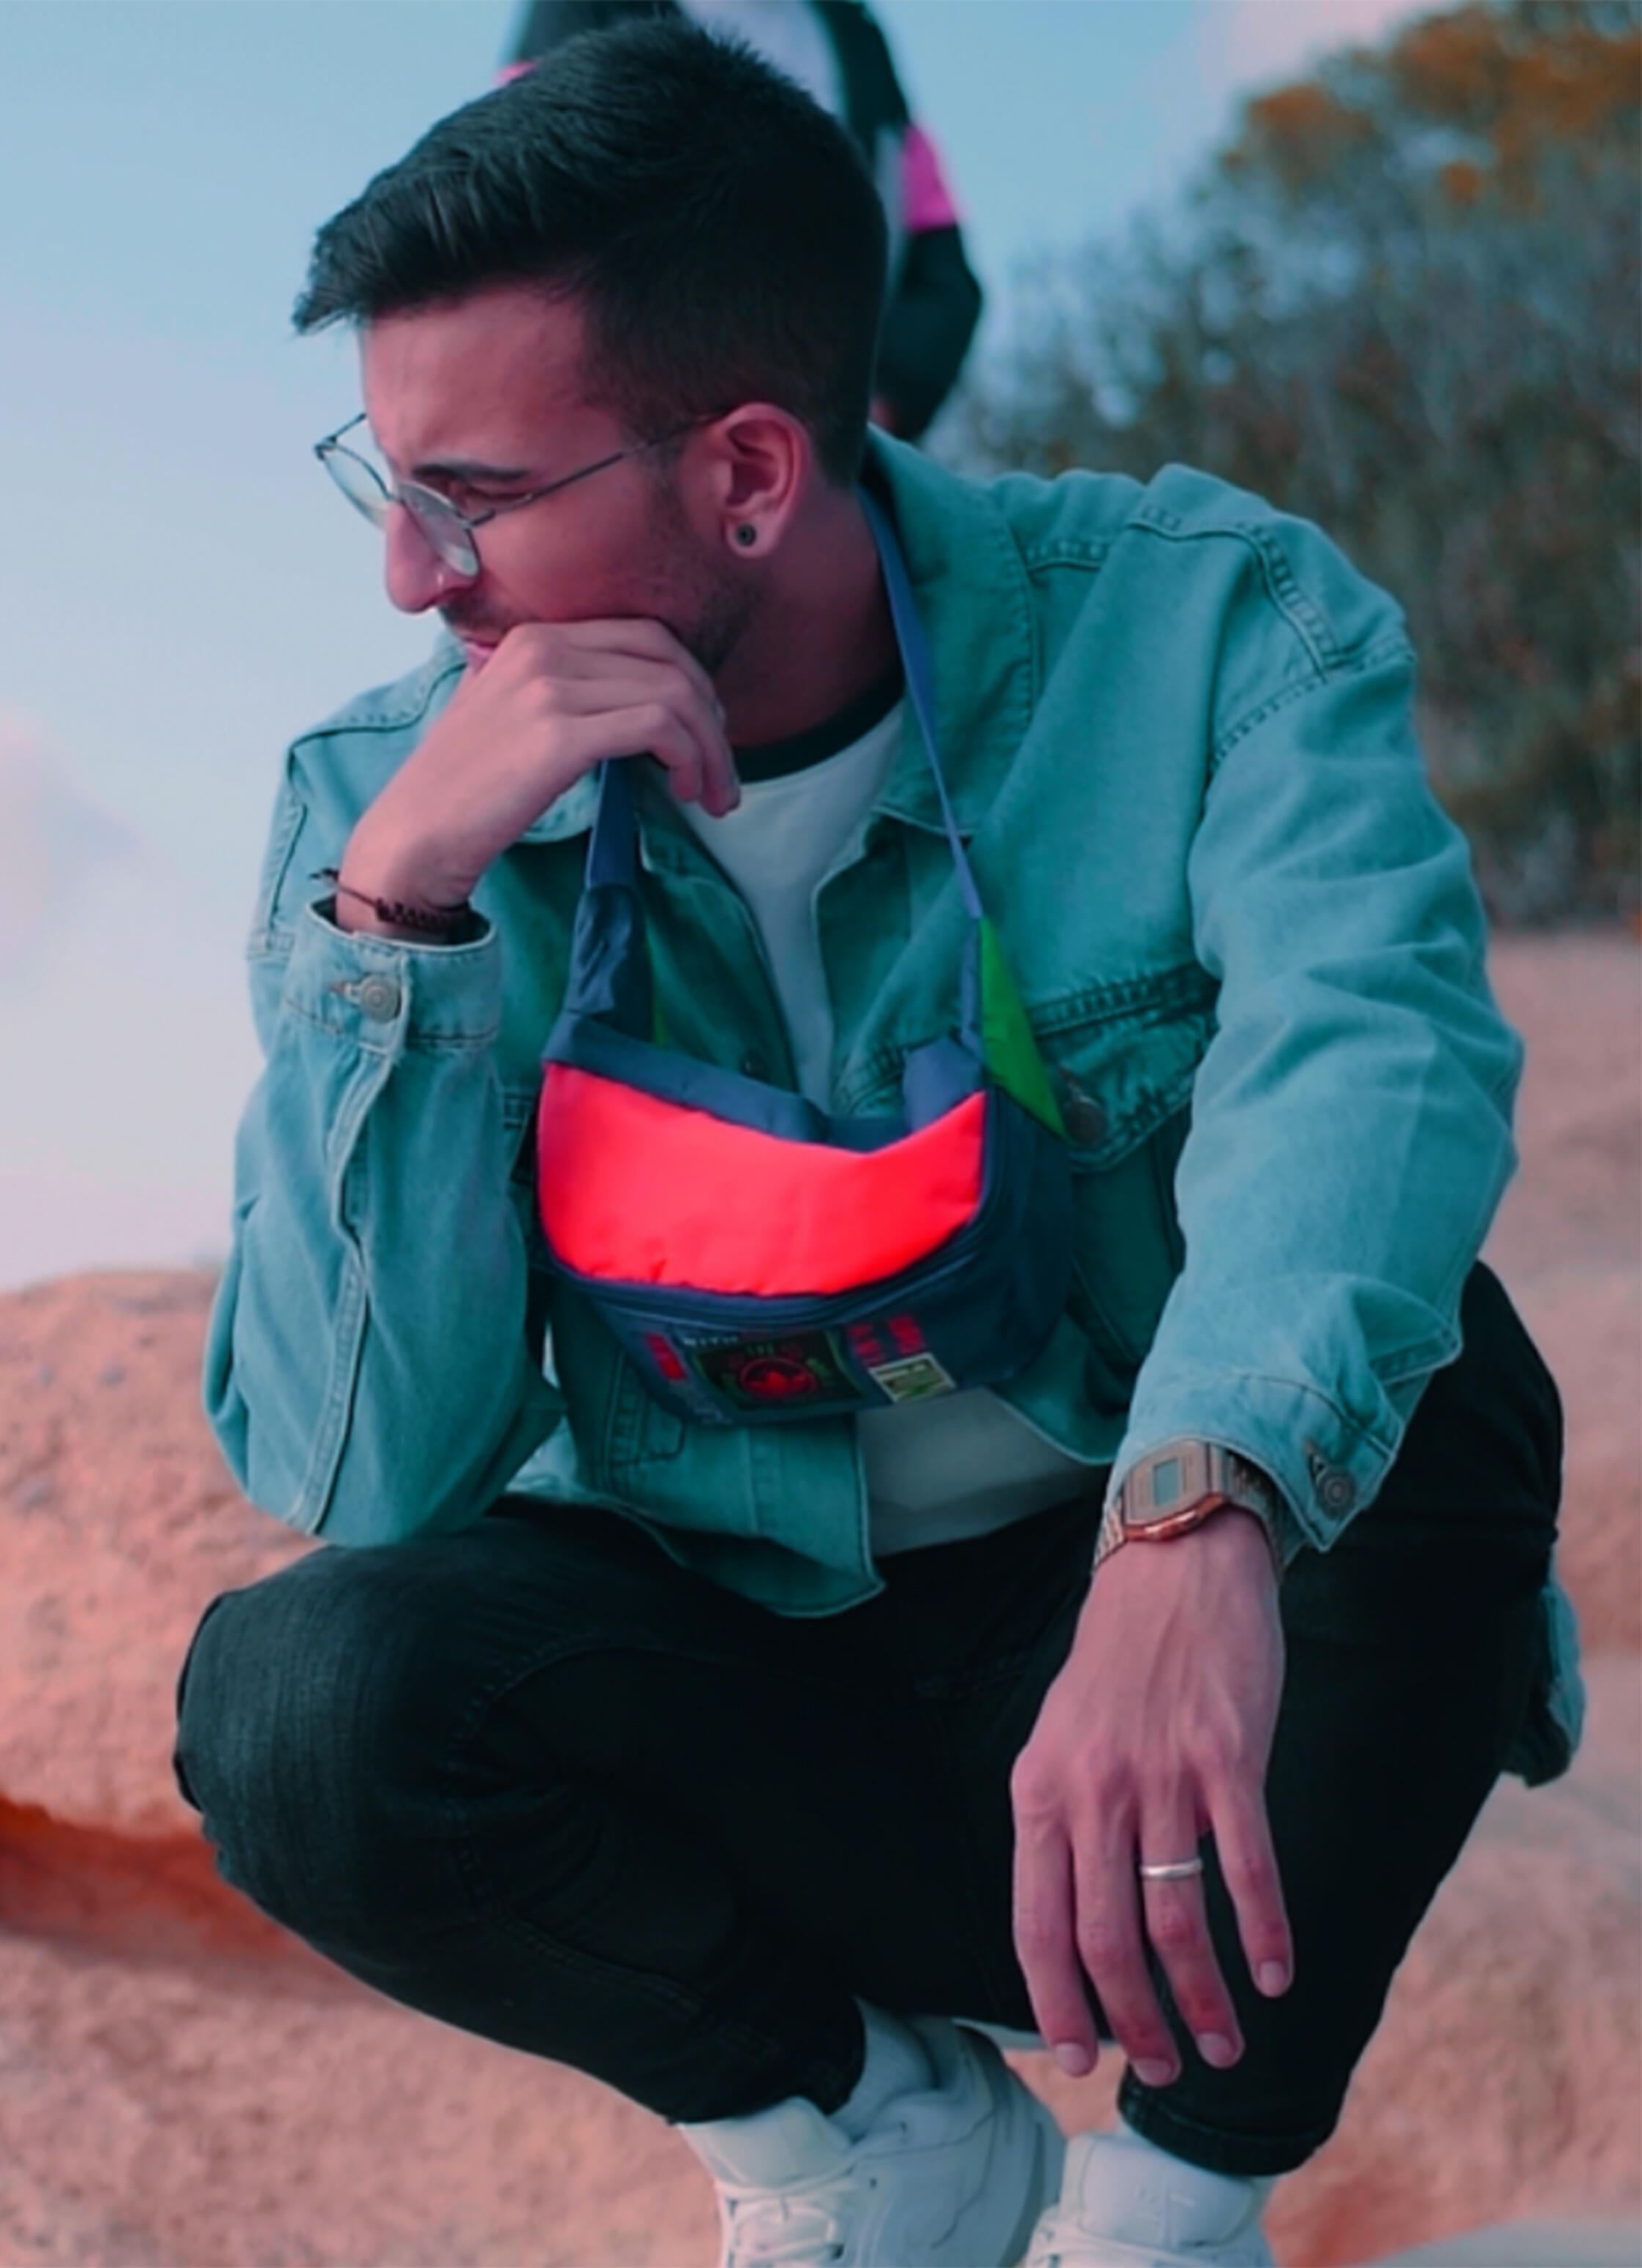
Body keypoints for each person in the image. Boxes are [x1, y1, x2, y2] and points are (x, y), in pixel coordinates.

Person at [174, 22, 1575, 2268]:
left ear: (746, 471)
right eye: (383, 481)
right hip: (754, 1706)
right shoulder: (380, 803)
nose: (412, 581)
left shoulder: (1204, 624)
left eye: (473, 496)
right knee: (294, 1702)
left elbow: (1370, 1072)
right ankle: (871, 2135)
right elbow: (364, 1476)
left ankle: (1166, 2206)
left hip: (1183, 1704)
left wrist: (1189, 1520)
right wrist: (401, 919)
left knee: (1444, 1394)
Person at [502, 0, 982, 440]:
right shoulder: (584, 10)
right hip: (634, 439)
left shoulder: (859, 42)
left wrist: (872, 414)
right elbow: (517, 210)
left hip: (826, 452)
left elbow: (943, 273)